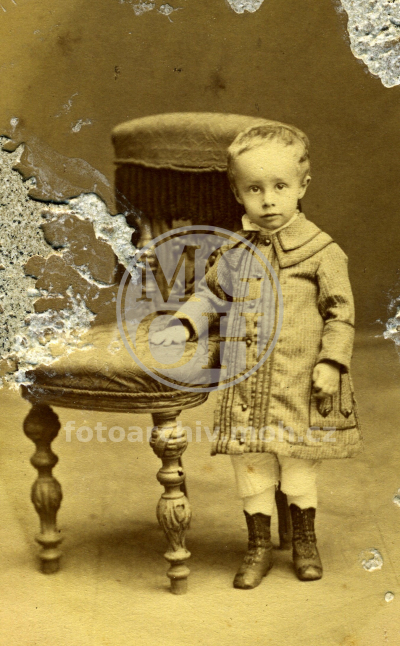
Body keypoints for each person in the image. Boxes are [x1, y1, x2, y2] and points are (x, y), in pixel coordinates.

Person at [151, 123, 362, 589]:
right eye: (254, 189)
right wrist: (183, 323)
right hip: (247, 387)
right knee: (252, 466)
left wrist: (331, 362)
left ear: (303, 186)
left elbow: (340, 314)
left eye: (280, 187)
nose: (268, 201)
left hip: (300, 384)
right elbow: (210, 296)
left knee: (298, 465)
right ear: (237, 193)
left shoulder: (321, 252)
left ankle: (305, 541)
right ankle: (258, 546)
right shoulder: (234, 252)